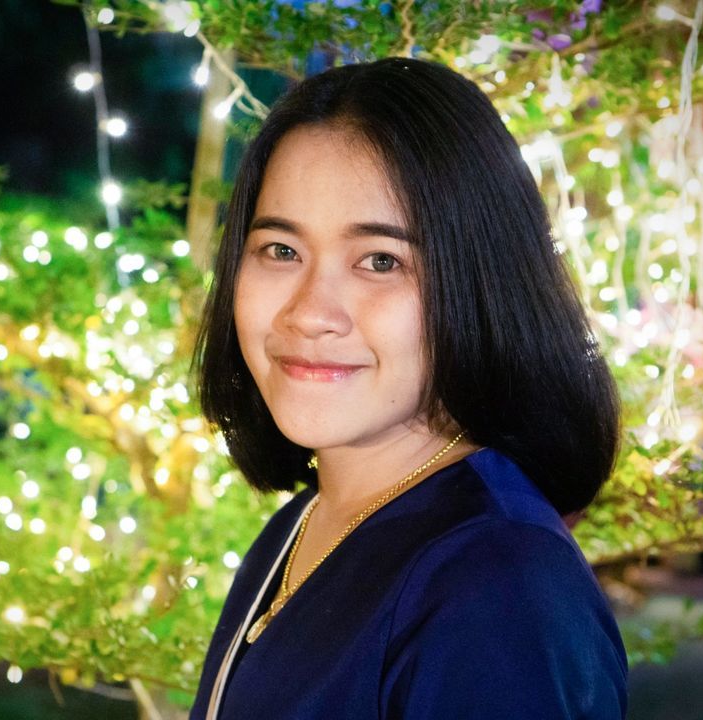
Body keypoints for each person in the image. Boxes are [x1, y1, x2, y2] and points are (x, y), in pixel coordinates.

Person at [190, 57, 628, 719]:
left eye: (380, 261)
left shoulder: (496, 585)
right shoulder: (304, 523)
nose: (309, 312)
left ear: (478, 282)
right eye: (282, 250)